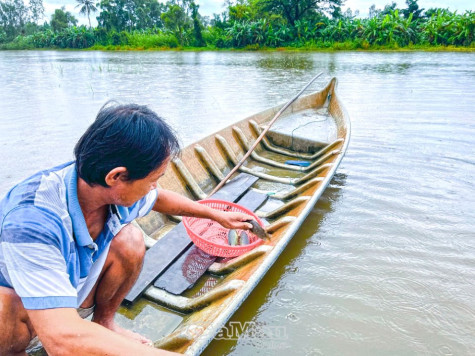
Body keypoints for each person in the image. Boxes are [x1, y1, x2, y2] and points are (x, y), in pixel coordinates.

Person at [0, 103, 253, 355]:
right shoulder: (30, 223)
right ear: (116, 177)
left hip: (69, 282)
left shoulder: (103, 187)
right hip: (23, 301)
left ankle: (104, 324)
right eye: (153, 180)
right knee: (5, 307)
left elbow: (160, 199)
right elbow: (61, 339)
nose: (154, 187)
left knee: (130, 238)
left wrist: (216, 214)